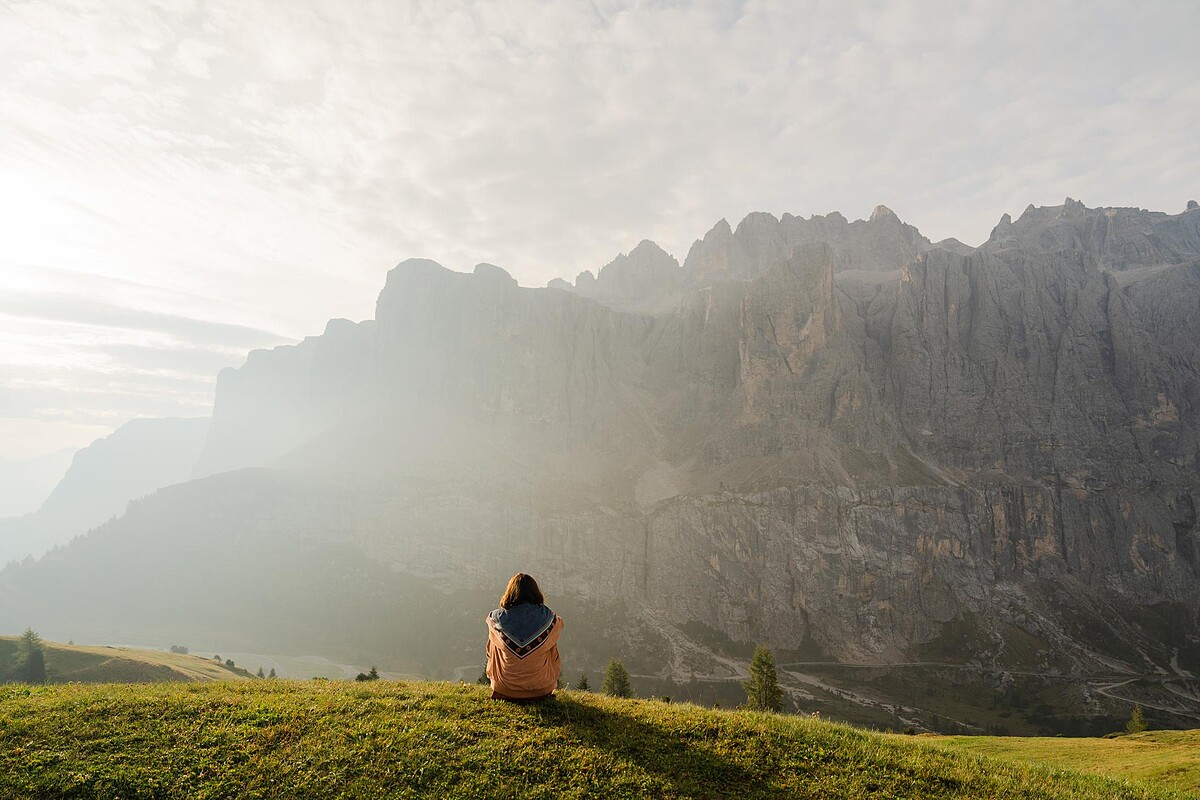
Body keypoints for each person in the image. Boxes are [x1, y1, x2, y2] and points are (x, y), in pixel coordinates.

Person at [485, 572, 564, 702]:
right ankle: (539, 683)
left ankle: (501, 680)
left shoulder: (494, 618)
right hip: (542, 689)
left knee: (494, 638)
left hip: (504, 688)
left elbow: (490, 649)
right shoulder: (551, 619)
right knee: (551, 638)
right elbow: (560, 623)